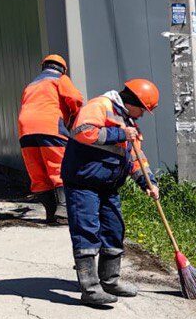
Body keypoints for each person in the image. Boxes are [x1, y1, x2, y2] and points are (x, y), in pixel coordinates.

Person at [61, 79, 161, 307]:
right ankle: (90, 288)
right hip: (83, 181)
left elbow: (135, 156)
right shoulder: (99, 106)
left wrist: (148, 182)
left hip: (109, 185)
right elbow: (82, 132)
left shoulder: (129, 122)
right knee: (86, 231)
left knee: (114, 230)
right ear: (132, 101)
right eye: (143, 110)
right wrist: (119, 134)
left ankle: (110, 280)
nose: (142, 115)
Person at [17, 55, 85, 224]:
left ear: (44, 67)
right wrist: (74, 115)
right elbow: (76, 99)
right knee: (59, 169)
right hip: (50, 127)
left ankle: (50, 213)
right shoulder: (60, 79)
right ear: (62, 68)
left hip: (25, 130)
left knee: (38, 173)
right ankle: (63, 211)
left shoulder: (31, 85)